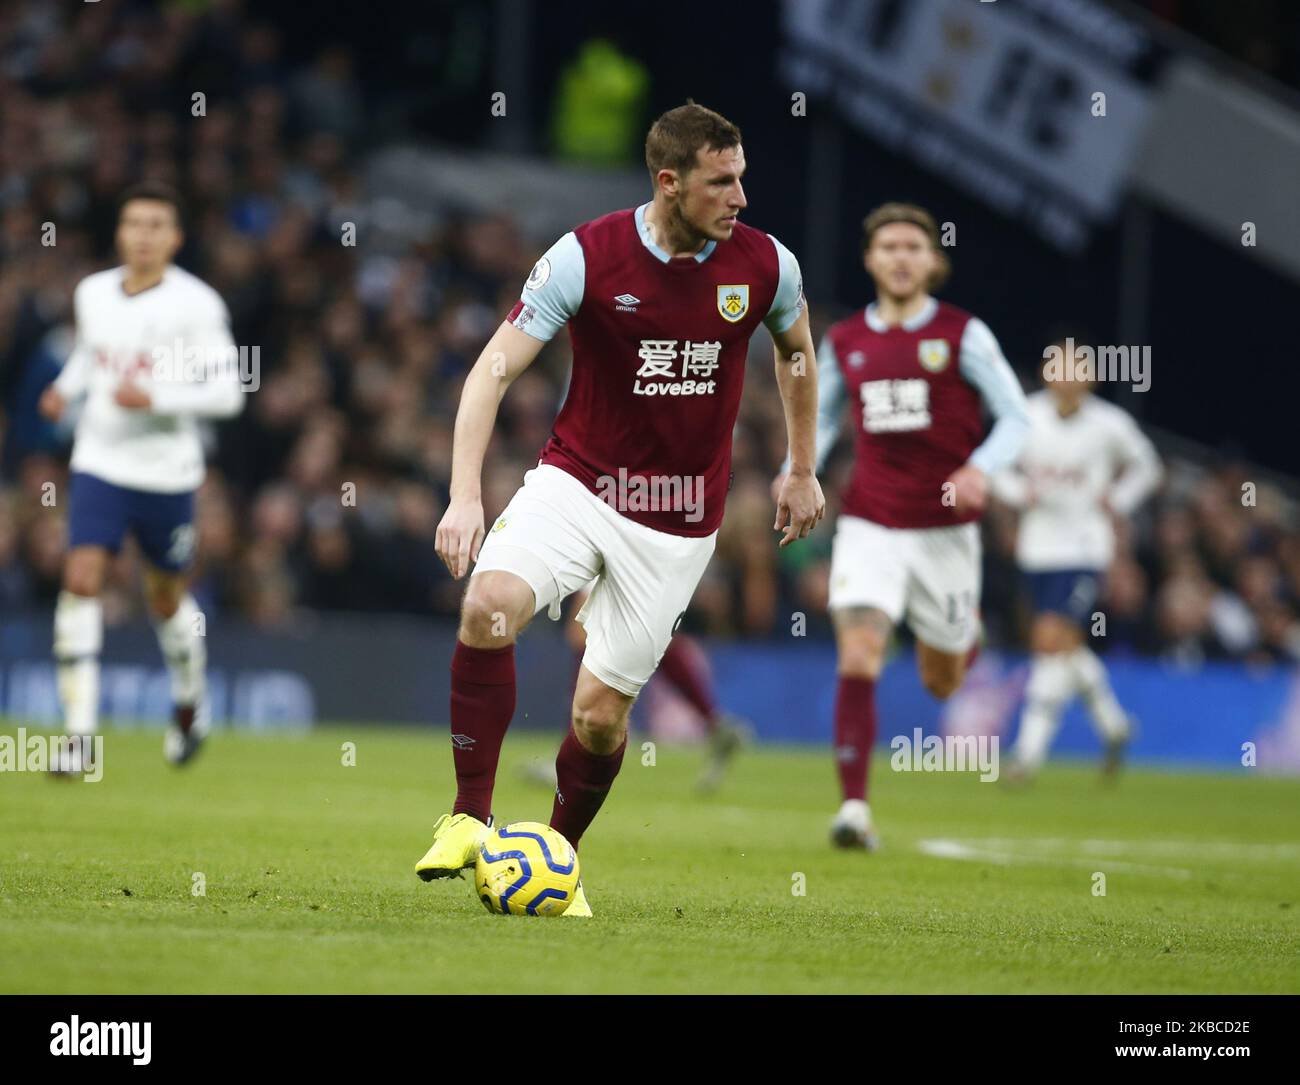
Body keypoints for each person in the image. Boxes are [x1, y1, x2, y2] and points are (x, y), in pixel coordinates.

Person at [413, 103, 823, 915]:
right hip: (577, 484)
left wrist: (801, 467)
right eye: (721, 181)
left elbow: (798, 350)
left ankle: (559, 855)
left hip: (676, 522)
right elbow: (492, 370)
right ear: (669, 182)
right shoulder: (585, 257)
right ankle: (468, 814)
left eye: (742, 178)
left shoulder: (767, 266)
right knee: (490, 604)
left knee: (599, 721)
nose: (740, 197)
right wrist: (465, 494)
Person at [774, 203, 1029, 850]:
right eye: (887, 245)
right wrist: (795, 471)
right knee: (859, 650)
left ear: (933, 261)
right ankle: (854, 807)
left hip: (946, 530)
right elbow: (821, 418)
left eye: (913, 246)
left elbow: (1016, 417)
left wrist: (979, 468)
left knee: (942, 677)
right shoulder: (846, 341)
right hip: (870, 520)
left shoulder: (962, 333)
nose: (900, 256)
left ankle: (962, 631)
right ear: (869, 259)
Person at [39, 182, 244, 771]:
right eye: (135, 224)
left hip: (167, 473)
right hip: (100, 461)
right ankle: (78, 738)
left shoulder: (198, 305)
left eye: (157, 225)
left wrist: (154, 395)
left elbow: (229, 393)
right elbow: (92, 355)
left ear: (175, 238)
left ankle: (189, 703)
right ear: (120, 233)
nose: (144, 235)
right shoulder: (93, 293)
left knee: (163, 597)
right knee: (80, 577)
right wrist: (65, 389)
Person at [992, 339, 1162, 780]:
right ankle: (1114, 725)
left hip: (1085, 548)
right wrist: (1018, 493)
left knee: (1049, 640)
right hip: (1037, 548)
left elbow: (1149, 467)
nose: (1067, 376)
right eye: (1058, 367)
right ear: (1047, 373)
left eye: (1077, 368)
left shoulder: (1111, 425)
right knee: (1065, 646)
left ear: (1092, 376)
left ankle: (1027, 754)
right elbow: (993, 467)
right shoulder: (1024, 415)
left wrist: (1119, 500)